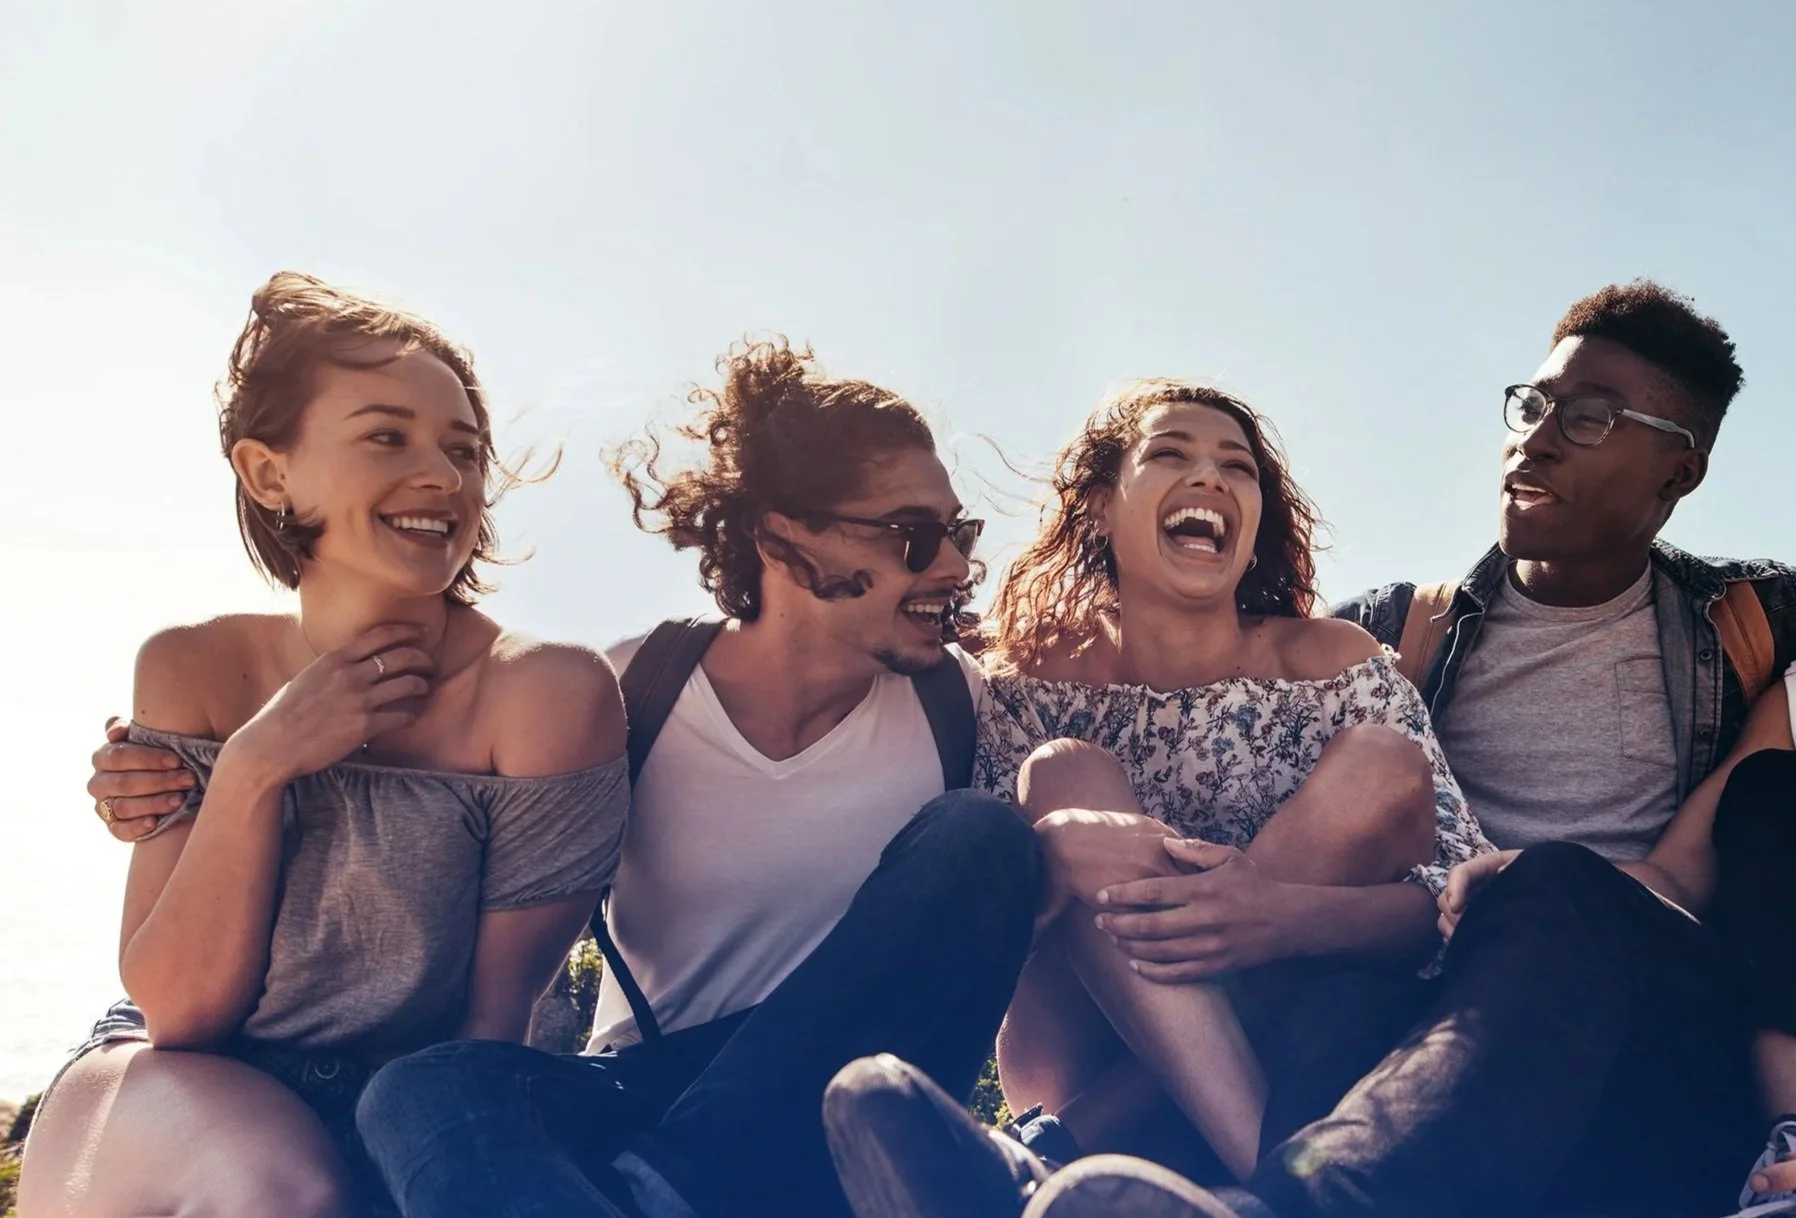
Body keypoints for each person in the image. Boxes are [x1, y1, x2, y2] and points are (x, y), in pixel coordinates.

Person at [828, 281, 1796, 1218]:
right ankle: (1191, 1171)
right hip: (1416, 1016)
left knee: (1535, 878)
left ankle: (1092, 1157)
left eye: (1586, 417)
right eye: (1533, 402)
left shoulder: (1757, 622)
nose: (1535, 436)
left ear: (1678, 469)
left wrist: (1286, 903)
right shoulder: (1394, 628)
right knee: (1136, 841)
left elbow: (1684, 866)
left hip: (1620, 991)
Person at [84, 337, 1044, 1218]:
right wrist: (189, 773)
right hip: (642, 1093)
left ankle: (675, 1194)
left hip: (844, 1098)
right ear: (785, 539)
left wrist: (1098, 832)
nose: (956, 564)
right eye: (914, 536)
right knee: (429, 1087)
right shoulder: (635, 689)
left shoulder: (968, 708)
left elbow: (1105, 755)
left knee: (984, 839)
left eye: (958, 531)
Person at [20, 272, 629, 1218]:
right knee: (277, 1196)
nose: (443, 476)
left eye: (463, 450)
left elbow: (486, 1032)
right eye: (387, 436)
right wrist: (259, 765)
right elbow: (182, 1013)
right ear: (269, 473)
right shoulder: (195, 666)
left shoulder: (547, 693)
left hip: (419, 1095)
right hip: (177, 1082)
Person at [944, 379, 1491, 1185]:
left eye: (1238, 469)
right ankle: (1278, 1179)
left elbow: (1452, 903)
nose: (1210, 479)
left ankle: (1076, 1146)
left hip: (1305, 1013)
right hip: (1083, 1041)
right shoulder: (1025, 682)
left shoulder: (1334, 666)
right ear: (1100, 504)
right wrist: (1086, 868)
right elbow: (991, 941)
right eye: (1170, 453)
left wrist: (1273, 913)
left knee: (1382, 764)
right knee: (1064, 775)